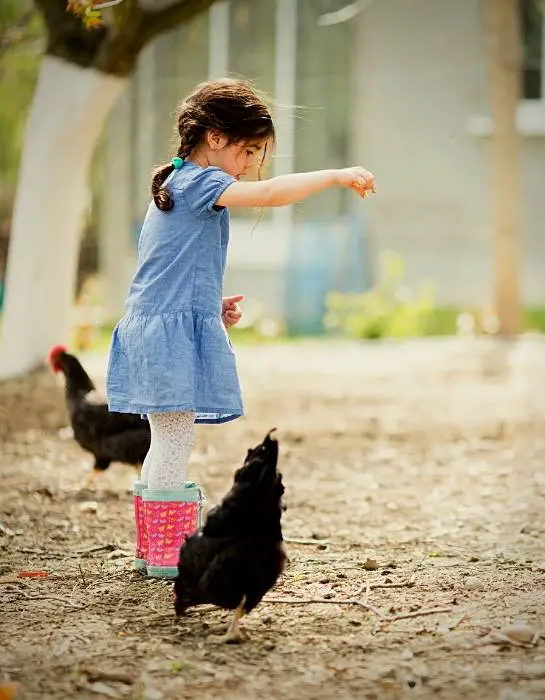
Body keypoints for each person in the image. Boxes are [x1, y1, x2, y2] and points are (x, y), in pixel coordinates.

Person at [106, 78, 376, 577]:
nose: (251, 163)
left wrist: (208, 303)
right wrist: (336, 175)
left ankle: (153, 548)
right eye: (248, 149)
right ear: (213, 137)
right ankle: (167, 554)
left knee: (166, 439)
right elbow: (271, 193)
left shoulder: (175, 185)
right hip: (165, 334)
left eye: (257, 152)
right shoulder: (201, 183)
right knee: (174, 440)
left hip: (155, 324)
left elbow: (165, 266)